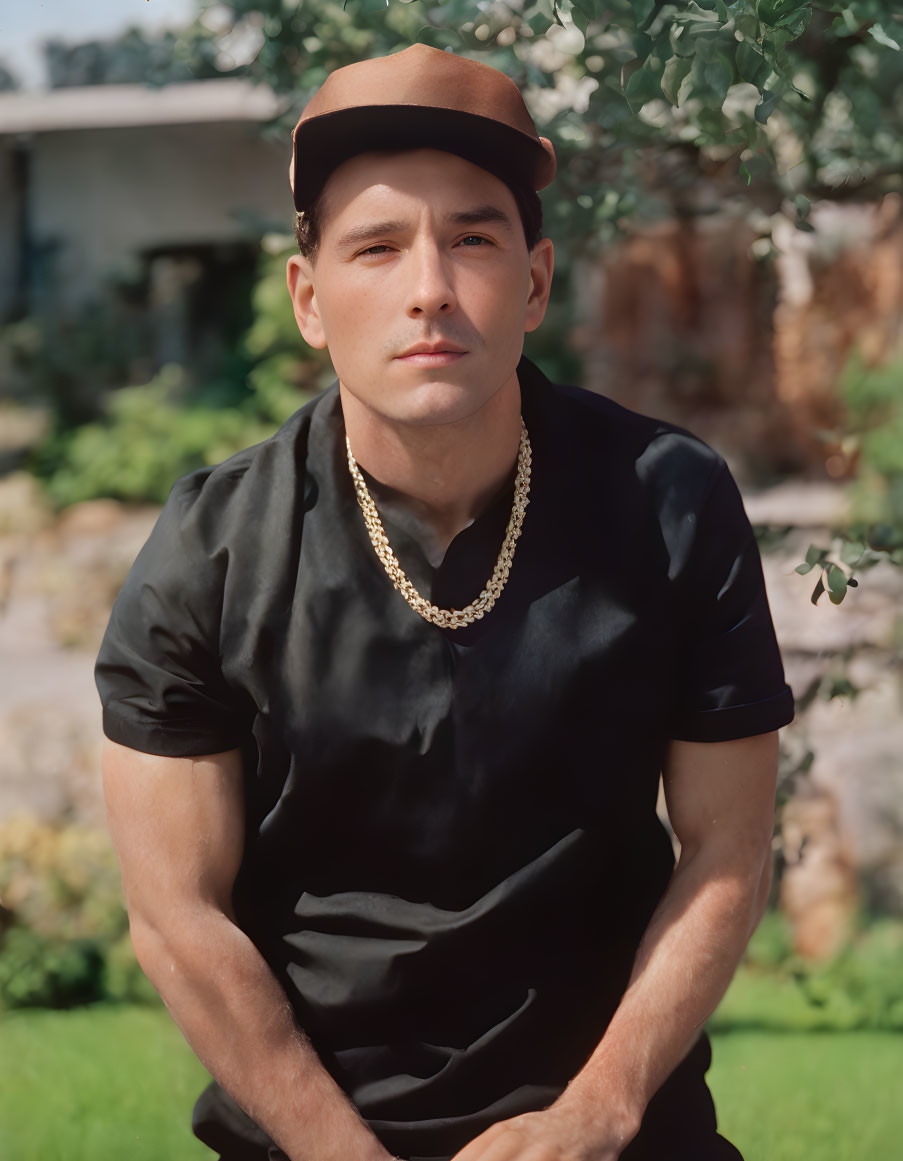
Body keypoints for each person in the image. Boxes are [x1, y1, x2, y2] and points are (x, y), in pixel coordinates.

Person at [96, 44, 794, 1161]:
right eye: (377, 247)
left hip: (616, 1134)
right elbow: (179, 916)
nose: (431, 286)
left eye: (473, 238)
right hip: (305, 1138)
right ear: (309, 299)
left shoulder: (669, 501)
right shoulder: (210, 548)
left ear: (534, 283)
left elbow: (728, 848)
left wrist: (598, 1114)